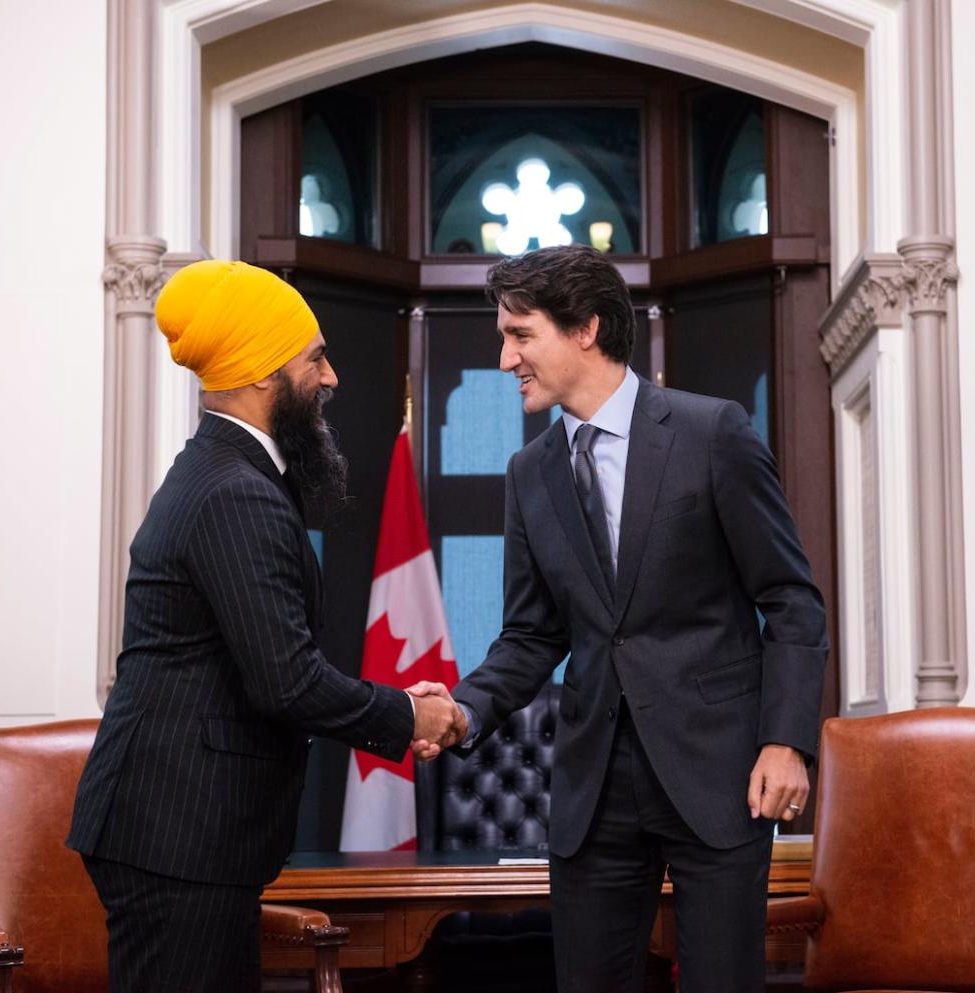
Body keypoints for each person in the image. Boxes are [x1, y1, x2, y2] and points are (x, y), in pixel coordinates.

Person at [412, 244, 827, 993]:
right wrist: (465, 711)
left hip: (720, 774)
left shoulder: (714, 433)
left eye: (519, 334)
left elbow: (791, 599)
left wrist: (786, 740)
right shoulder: (527, 471)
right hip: (594, 785)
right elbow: (533, 633)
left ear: (586, 329)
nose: (505, 359)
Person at [67, 259, 465, 993]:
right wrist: (409, 711)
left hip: (185, 831)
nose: (333, 376)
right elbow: (287, 679)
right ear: (260, 374)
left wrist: (395, 706)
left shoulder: (230, 474)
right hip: (179, 833)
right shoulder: (235, 492)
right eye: (314, 356)